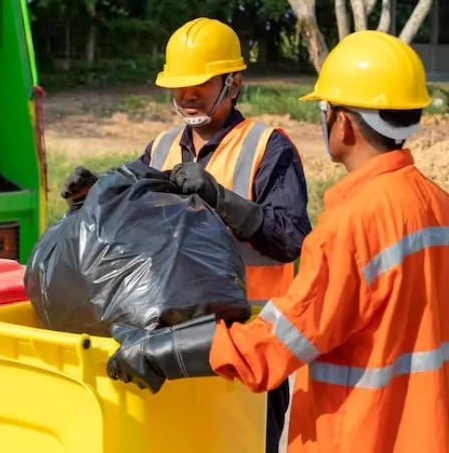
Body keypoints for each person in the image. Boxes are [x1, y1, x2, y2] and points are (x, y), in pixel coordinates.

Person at [105, 30, 449, 453]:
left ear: (341, 122)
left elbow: (276, 343)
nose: (188, 95)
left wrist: (166, 352)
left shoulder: (348, 224)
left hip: (353, 430)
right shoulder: (439, 206)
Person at [61, 17, 311, 452]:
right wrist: (95, 192)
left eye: (200, 84)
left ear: (233, 83)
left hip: (244, 347)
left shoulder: (267, 147)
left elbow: (291, 240)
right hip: (166, 348)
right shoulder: (160, 148)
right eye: (178, 86)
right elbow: (129, 226)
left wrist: (220, 197)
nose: (187, 95)